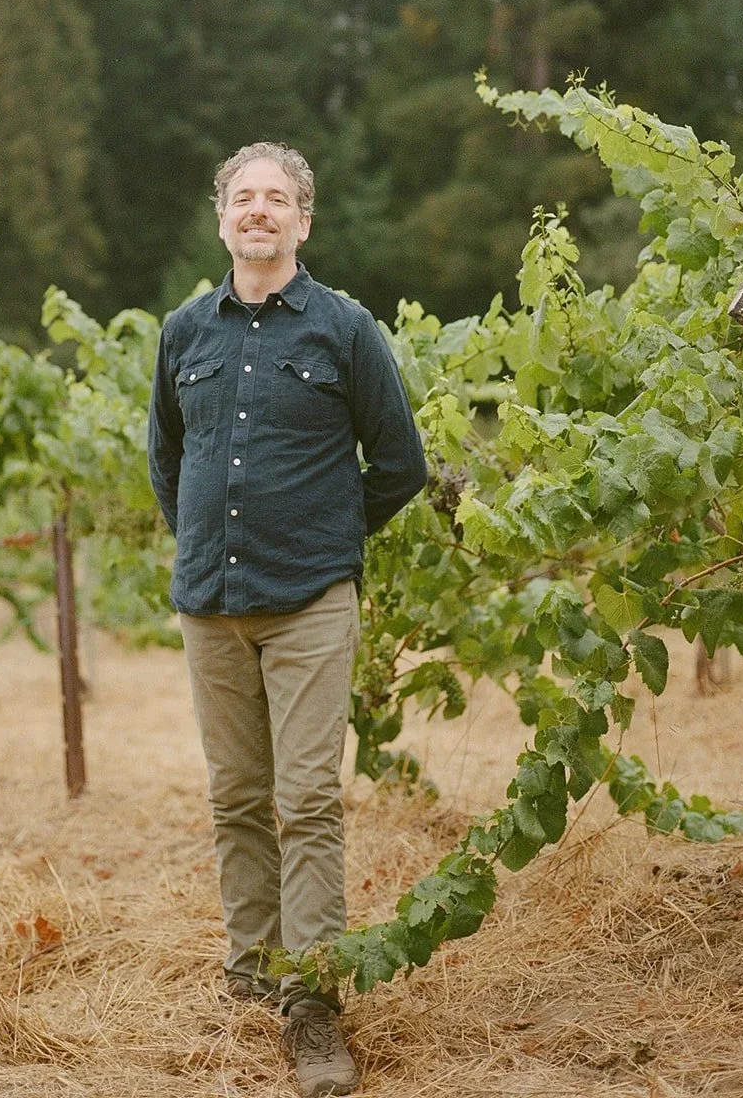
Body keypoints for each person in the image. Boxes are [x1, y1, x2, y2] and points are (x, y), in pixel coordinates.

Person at [147, 141, 428, 1098]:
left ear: (304, 222)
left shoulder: (345, 331)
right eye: (243, 198)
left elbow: (399, 465)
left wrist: (325, 542)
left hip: (310, 604)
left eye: (277, 200)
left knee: (306, 801)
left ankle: (312, 1005)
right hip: (211, 608)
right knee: (235, 798)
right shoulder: (184, 332)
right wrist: (202, 549)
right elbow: (167, 460)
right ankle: (252, 966)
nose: (258, 212)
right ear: (221, 217)